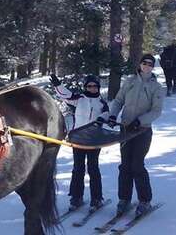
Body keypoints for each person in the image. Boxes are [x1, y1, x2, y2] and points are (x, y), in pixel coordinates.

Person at [107, 54, 163, 217]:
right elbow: (118, 101)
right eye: (144, 63)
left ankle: (145, 200)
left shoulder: (156, 87)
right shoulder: (130, 82)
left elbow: (156, 111)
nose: (146, 66)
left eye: (150, 64)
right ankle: (124, 199)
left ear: (153, 67)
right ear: (139, 64)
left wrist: (140, 121)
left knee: (137, 165)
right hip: (125, 129)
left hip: (142, 130)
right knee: (125, 165)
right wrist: (113, 115)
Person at [50, 73, 108, 211]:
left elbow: (106, 113)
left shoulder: (101, 103)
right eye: (89, 86)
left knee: (93, 169)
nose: (92, 88)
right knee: (78, 169)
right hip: (79, 139)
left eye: (94, 86)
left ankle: (97, 198)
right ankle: (76, 197)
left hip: (94, 139)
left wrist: (101, 118)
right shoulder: (79, 99)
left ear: (98, 88)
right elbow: (66, 95)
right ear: (85, 87)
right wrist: (58, 85)